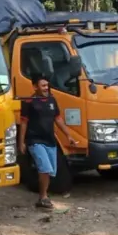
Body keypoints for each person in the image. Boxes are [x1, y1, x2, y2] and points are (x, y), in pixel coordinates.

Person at [19, 73, 78, 209]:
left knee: (51, 171)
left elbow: (58, 119)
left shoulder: (52, 100)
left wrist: (68, 135)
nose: (46, 88)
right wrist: (21, 142)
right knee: (44, 168)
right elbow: (23, 123)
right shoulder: (28, 102)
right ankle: (43, 197)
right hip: (35, 140)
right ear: (35, 87)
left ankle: (43, 196)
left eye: (47, 85)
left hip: (50, 140)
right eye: (43, 85)